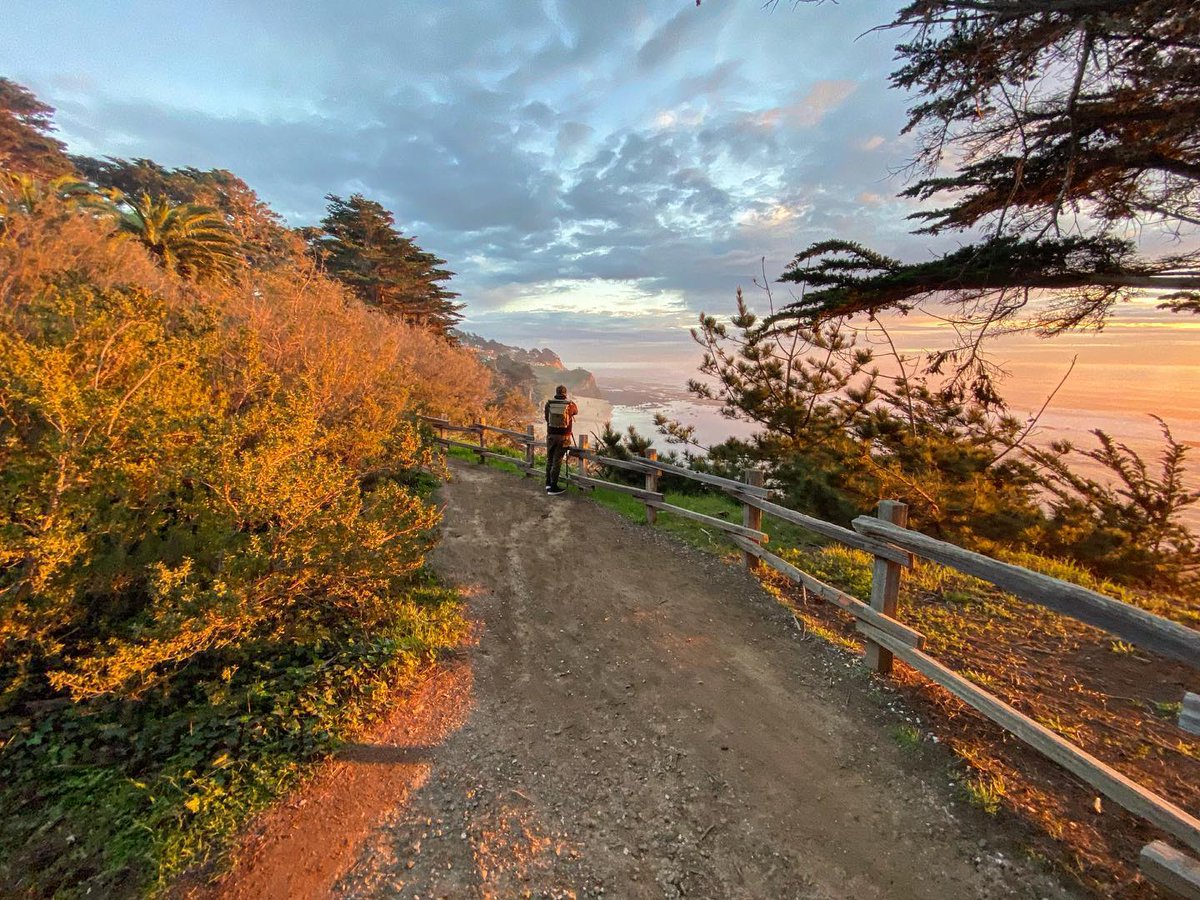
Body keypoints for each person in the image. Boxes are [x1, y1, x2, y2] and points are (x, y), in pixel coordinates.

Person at [543, 385, 578, 495]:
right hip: (563, 437)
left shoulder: (549, 404)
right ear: (565, 393)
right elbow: (576, 411)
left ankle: (548, 483)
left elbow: (546, 418)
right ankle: (553, 487)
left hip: (551, 436)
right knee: (557, 461)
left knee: (550, 459)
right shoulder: (570, 404)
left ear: (556, 392)